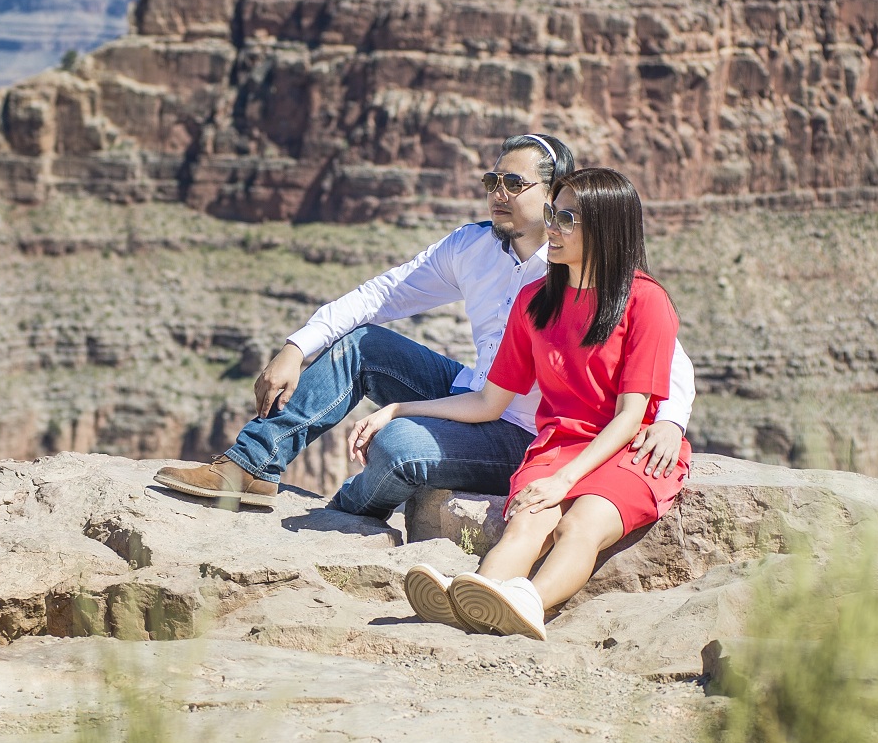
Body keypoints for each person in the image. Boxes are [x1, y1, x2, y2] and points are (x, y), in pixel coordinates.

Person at [153, 136, 694, 519]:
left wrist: (669, 420)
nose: (496, 192)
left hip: (527, 431)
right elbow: (382, 295)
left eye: (512, 182)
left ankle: (350, 508)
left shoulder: (579, 265)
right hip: (473, 396)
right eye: (491, 180)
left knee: (400, 444)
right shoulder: (470, 246)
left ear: (556, 195)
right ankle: (250, 465)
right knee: (363, 346)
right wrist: (297, 346)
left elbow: (668, 353)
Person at [347, 167, 691, 639]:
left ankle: (528, 602)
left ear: (607, 230)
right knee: (525, 525)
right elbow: (489, 401)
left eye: (567, 218)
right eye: (552, 212)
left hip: (629, 449)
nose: (551, 226)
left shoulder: (645, 301)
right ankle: (475, 596)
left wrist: (566, 480)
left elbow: (631, 414)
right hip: (558, 445)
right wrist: (400, 409)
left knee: (581, 525)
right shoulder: (535, 300)